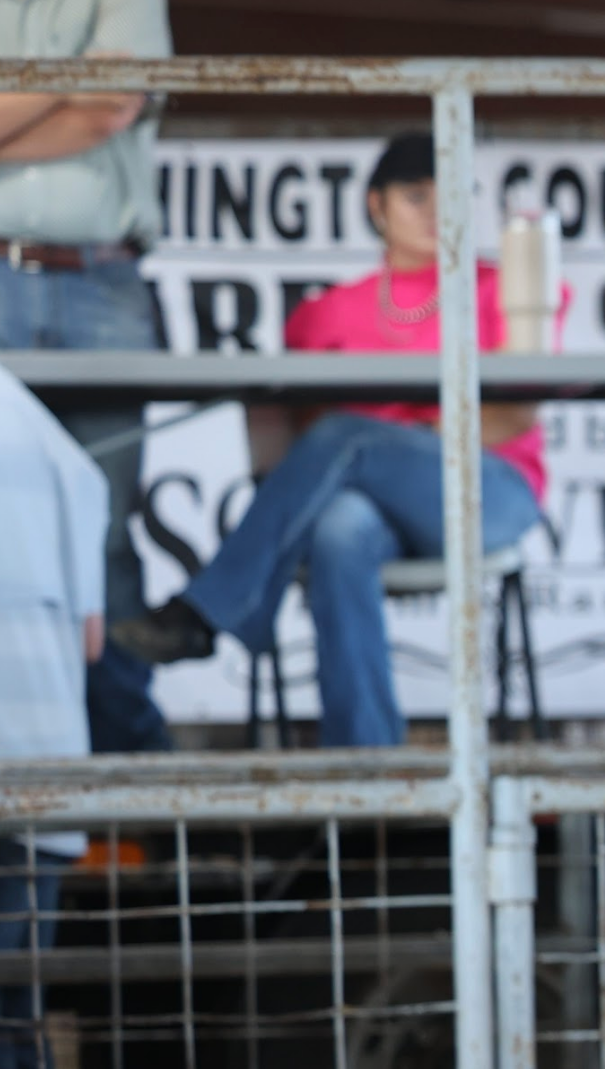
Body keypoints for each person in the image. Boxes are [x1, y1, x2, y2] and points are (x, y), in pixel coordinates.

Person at [106, 133, 549, 747]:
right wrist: (392, 439)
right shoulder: (326, 314)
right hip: (383, 511)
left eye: (452, 194)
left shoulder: (505, 287)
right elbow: (301, 438)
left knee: (352, 441)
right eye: (416, 196)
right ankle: (372, 775)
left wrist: (393, 440)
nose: (436, 211)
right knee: (339, 526)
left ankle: (211, 610)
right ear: (377, 206)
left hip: (490, 492)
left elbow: (514, 415)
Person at [0, 0, 169, 752]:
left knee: (100, 537)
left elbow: (113, 104)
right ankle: (35, 775)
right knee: (5, 539)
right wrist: (66, 96)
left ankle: (144, 786)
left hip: (99, 275)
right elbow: (91, 99)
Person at [0, 361, 102, 1069]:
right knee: (14, 1017)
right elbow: (93, 638)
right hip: (39, 757)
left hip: (28, 761)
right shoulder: (33, 421)